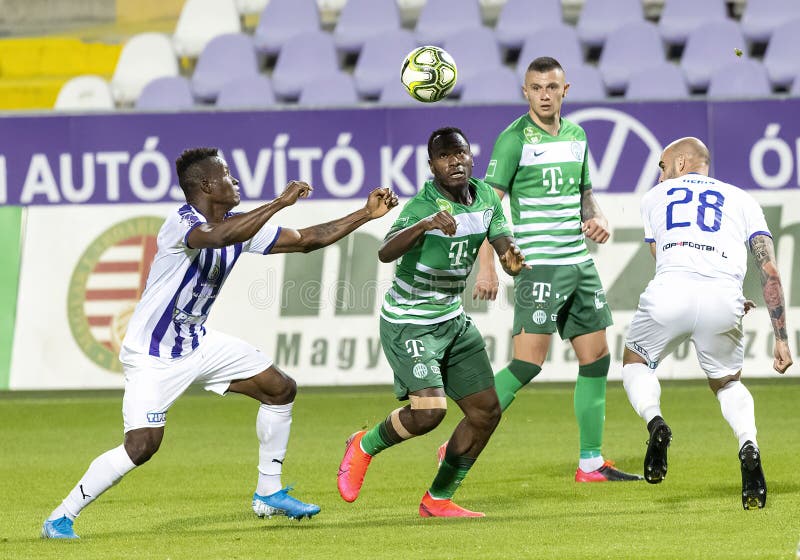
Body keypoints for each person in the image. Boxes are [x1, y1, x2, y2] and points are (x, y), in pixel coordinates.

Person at [42, 147, 399, 539]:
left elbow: (306, 240)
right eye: (228, 175)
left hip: (198, 344)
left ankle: (269, 492)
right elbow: (216, 238)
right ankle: (60, 517)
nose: (235, 181)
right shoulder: (183, 223)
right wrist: (279, 203)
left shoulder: (238, 224)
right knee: (142, 445)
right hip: (154, 355)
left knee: (279, 389)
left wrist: (366, 214)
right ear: (208, 185)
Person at [465, 56, 641, 482]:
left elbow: (584, 194)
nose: (545, 94)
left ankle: (591, 462)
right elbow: (486, 207)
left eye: (552, 87)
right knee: (528, 364)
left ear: (566, 90)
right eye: (536, 88)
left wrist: (595, 218)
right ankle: (458, 440)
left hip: (579, 264)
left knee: (596, 358)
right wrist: (485, 268)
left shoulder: (577, 136)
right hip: (538, 266)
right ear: (525, 92)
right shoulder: (513, 140)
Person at [336, 127, 527, 517]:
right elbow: (386, 252)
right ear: (432, 166)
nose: (454, 161)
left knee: (486, 412)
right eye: (444, 157)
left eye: (460, 154)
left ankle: (437, 499)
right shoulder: (423, 205)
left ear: (471, 157)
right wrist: (425, 225)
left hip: (451, 321)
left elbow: (502, 239)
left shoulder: (487, 196)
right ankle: (364, 445)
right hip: (409, 322)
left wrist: (511, 258)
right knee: (429, 412)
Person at [621, 137, 792, 509]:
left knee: (635, 361)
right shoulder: (743, 199)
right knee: (727, 382)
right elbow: (770, 270)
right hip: (723, 298)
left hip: (670, 291)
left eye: (664, 167)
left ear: (681, 163)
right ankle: (748, 443)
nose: (661, 175)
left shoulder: (653, 199)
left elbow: (662, 254)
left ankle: (655, 423)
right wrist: (781, 338)